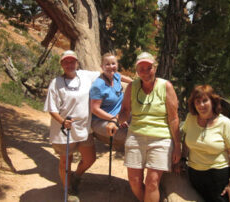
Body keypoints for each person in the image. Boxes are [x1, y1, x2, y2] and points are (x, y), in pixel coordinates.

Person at [106, 52, 182, 202]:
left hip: (161, 138)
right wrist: (115, 122)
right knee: (134, 181)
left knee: (152, 182)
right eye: (141, 68)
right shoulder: (132, 87)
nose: (145, 72)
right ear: (136, 70)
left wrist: (177, 145)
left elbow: (173, 118)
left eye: (149, 68)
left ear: (155, 68)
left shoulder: (166, 86)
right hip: (136, 136)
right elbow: (125, 111)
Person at [44, 50, 100, 202]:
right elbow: (52, 108)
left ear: (77, 62)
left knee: (90, 158)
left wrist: (132, 82)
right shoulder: (56, 83)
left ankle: (77, 176)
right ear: (62, 64)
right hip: (64, 130)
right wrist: (62, 121)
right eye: (66, 62)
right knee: (65, 162)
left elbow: (107, 73)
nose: (69, 65)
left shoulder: (85, 75)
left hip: (84, 129)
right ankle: (68, 190)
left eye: (72, 61)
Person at [180, 84, 230, 202]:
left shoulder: (225, 123)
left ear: (213, 101)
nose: (201, 105)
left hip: (218, 176)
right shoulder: (190, 118)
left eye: (205, 100)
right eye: (197, 101)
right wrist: (183, 159)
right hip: (194, 174)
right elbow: (186, 139)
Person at [90, 52, 132, 150]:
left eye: (113, 64)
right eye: (107, 64)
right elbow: (95, 109)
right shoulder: (98, 86)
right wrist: (114, 119)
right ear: (102, 66)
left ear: (117, 65)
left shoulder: (116, 76)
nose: (111, 66)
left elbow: (130, 80)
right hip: (102, 120)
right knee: (129, 136)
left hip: (119, 115)